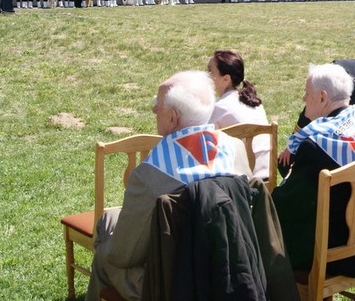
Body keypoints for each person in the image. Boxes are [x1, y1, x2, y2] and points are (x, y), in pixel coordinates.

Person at [87, 70, 253, 301]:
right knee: (110, 222)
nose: (154, 109)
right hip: (230, 275)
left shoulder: (150, 175)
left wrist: (104, 242)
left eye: (158, 104)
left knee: (106, 254)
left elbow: (124, 256)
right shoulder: (236, 150)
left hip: (174, 287)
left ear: (173, 117)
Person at [273, 63, 355, 275]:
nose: (303, 99)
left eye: (307, 93)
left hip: (328, 255)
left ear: (323, 97)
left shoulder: (314, 145)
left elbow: (287, 203)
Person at [207, 50, 272, 180]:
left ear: (226, 79)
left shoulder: (219, 108)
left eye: (210, 72)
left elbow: (206, 148)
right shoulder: (255, 104)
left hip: (239, 183)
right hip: (266, 177)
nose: (206, 76)